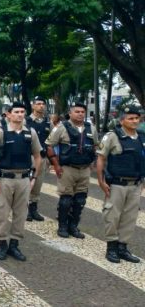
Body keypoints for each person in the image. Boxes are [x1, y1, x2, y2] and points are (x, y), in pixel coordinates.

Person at [0, 102, 42, 261]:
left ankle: (14, 245)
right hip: (5, 179)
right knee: (1, 212)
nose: (19, 114)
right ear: (8, 115)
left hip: (24, 179)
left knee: (21, 214)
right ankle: (3, 244)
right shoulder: (0, 132)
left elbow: (38, 156)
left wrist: (34, 178)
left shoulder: (30, 133)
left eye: (22, 112)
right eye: (16, 112)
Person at [96, 105, 142, 263]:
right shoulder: (112, 136)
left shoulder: (141, 137)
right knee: (112, 216)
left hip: (135, 185)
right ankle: (112, 248)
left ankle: (123, 247)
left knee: (130, 217)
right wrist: (101, 181)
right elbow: (101, 158)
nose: (134, 121)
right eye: (130, 118)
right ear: (122, 120)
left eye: (137, 118)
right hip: (116, 184)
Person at [45, 102, 99, 239]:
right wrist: (56, 165)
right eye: (77, 111)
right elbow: (50, 146)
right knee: (66, 199)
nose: (80, 114)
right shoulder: (61, 128)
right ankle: (62, 226)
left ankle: (73, 226)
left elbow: (95, 146)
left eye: (82, 112)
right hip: (67, 168)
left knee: (80, 199)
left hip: (85, 169)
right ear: (70, 113)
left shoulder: (91, 128)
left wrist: (93, 161)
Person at [25, 96, 50, 221]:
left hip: (42, 157)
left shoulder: (47, 122)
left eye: (43, 104)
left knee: (38, 184)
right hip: (28, 156)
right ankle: (25, 209)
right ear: (33, 105)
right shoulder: (26, 121)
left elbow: (50, 141)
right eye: (38, 103)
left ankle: (33, 209)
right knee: (27, 183)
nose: (41, 106)